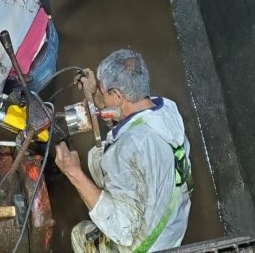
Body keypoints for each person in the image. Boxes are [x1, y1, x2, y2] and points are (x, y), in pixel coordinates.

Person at [55, 49, 192, 253]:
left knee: (80, 233)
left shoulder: (127, 150)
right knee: (97, 156)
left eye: (103, 91)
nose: (100, 94)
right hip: (172, 220)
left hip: (149, 245)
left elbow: (123, 230)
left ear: (118, 95)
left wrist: (73, 173)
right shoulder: (166, 108)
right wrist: (95, 95)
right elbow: (127, 115)